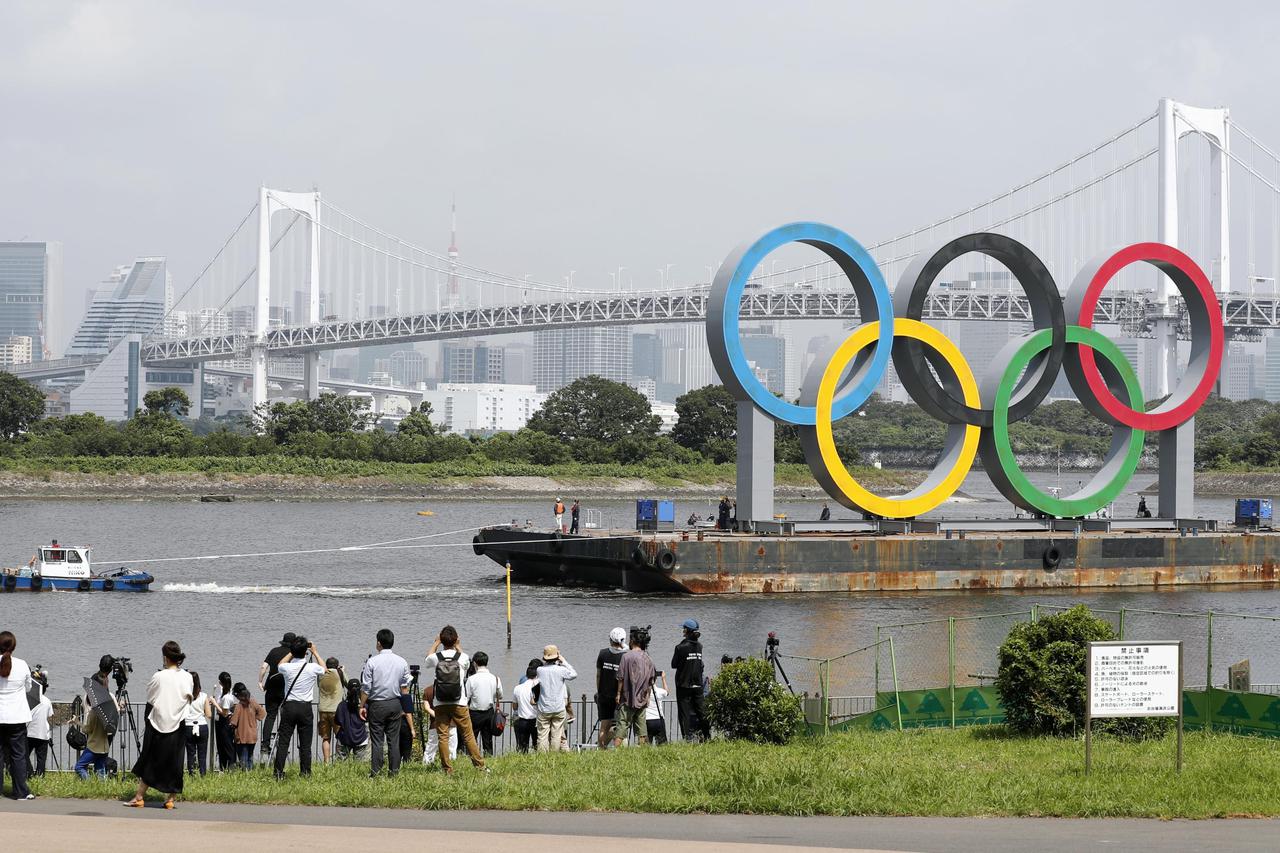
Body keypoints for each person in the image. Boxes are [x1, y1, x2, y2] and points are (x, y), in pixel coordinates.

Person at [127, 641, 194, 810]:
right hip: (179, 724)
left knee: (150, 760)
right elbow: (189, 698)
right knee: (175, 762)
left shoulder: (159, 676)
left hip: (157, 724)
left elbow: (151, 697)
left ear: (165, 657)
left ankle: (139, 797)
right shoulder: (187, 677)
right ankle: (170, 799)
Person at [424, 626, 486, 774]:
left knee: (443, 736)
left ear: (441, 640)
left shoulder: (436, 657)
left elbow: (427, 660)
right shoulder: (462, 657)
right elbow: (467, 662)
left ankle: (447, 769)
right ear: (456, 639)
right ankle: (480, 766)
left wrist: (435, 643)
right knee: (468, 735)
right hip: (459, 702)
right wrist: (458, 645)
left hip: (440, 703)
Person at [360, 628, 411, 777]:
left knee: (377, 741)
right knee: (393, 741)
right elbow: (404, 687)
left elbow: (366, 688)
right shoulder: (401, 661)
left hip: (377, 704)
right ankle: (394, 772)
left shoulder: (372, 662)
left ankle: (376, 772)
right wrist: (406, 709)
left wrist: (361, 705)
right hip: (395, 703)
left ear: (378, 643)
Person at [273, 637, 326, 780]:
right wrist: (315, 652)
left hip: (289, 707)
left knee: (283, 742)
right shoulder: (312, 667)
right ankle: (305, 773)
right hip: (305, 708)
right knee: (305, 744)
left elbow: (280, 664)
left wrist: (292, 651)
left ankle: (278, 773)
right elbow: (324, 669)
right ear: (305, 652)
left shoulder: (286, 667)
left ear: (292, 650)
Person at [0, 631, 34, 800]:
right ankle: (20, 791)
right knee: (18, 755)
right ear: (13, 647)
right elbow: (28, 687)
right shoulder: (22, 665)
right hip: (17, 717)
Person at [613, 629, 656, 747]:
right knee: (641, 729)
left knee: (621, 725)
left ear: (632, 641)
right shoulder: (648, 658)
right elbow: (650, 681)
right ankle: (641, 750)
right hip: (642, 698)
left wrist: (618, 694)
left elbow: (620, 678)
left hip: (627, 698)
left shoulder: (626, 657)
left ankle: (615, 750)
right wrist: (647, 697)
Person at [75, 658, 115, 780]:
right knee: (100, 769)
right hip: (105, 747)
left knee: (79, 766)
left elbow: (87, 729)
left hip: (93, 746)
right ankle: (102, 788)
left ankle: (89, 783)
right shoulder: (109, 710)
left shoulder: (93, 713)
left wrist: (77, 722)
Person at [258, 632, 295, 759]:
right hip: (286, 688)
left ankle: (265, 743)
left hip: (272, 686)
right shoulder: (294, 654)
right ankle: (282, 742)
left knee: (270, 716)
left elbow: (263, 667)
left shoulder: (274, 651)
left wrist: (260, 682)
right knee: (286, 716)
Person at [672, 619, 710, 742]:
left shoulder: (680, 647)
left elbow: (674, 664)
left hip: (684, 685)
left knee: (684, 713)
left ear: (686, 631)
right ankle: (707, 736)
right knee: (701, 712)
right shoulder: (699, 646)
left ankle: (687, 739)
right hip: (698, 684)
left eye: (684, 629)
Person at [535, 645, 576, 752]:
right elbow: (573, 674)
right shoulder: (561, 670)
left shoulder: (539, 670)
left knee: (542, 735)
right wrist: (564, 661)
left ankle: (542, 757)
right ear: (557, 657)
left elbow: (545, 668)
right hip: (558, 707)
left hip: (544, 707)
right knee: (556, 734)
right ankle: (554, 755)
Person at [465, 651, 502, 756]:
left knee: (471, 739)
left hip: (474, 713)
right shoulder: (495, 678)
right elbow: (500, 695)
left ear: (475, 663)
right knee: (488, 740)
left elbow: (466, 697)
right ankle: (489, 758)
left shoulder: (471, 679)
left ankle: (472, 758)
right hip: (489, 712)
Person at [595, 627, 626, 747]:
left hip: (603, 695)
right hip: (619, 696)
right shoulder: (625, 656)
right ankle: (619, 748)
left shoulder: (602, 653)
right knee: (621, 725)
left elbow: (598, 675)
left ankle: (601, 748)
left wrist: (599, 691)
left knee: (604, 726)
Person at [228, 683, 264, 770]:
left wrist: (230, 717)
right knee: (250, 756)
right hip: (252, 735)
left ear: (237, 694)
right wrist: (254, 718)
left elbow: (233, 722)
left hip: (242, 736)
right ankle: (250, 773)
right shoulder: (253, 702)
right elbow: (263, 713)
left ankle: (244, 775)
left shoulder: (239, 706)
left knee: (243, 758)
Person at [183, 672, 212, 776]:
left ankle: (191, 773)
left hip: (188, 726)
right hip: (202, 726)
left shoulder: (185, 696)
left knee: (190, 753)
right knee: (202, 753)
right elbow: (209, 715)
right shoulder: (204, 696)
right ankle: (203, 774)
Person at [334, 679, 370, 761]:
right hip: (361, 738)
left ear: (348, 690)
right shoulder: (364, 707)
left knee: (340, 765)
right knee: (359, 767)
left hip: (344, 738)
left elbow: (337, 721)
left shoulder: (342, 705)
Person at [317, 657, 345, 764]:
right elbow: (347, 684)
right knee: (340, 736)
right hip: (336, 710)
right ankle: (340, 760)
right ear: (337, 665)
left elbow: (318, 685)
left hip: (323, 710)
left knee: (325, 738)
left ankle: (326, 762)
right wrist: (342, 671)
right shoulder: (339, 673)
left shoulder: (320, 674)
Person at [25, 670, 52, 777]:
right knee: (41, 759)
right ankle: (40, 776)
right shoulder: (47, 701)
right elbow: (50, 715)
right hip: (43, 734)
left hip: (29, 732)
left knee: (24, 756)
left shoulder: (28, 699)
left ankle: (29, 773)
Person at [511, 659, 540, 753]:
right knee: (537, 744)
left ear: (526, 675)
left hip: (522, 720)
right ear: (536, 675)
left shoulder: (518, 688)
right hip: (536, 720)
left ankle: (523, 760)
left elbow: (514, 706)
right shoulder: (539, 686)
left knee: (523, 746)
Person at [212, 672, 236, 772]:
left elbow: (225, 713)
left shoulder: (227, 697)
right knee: (220, 745)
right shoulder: (224, 693)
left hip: (225, 721)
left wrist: (214, 704)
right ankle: (222, 767)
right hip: (220, 722)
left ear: (221, 682)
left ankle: (230, 767)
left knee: (227, 745)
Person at [646, 670, 670, 745]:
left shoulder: (643, 691)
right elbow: (667, 692)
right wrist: (663, 678)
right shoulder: (659, 691)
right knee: (662, 745)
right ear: (655, 679)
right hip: (659, 719)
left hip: (647, 719)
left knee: (646, 745)